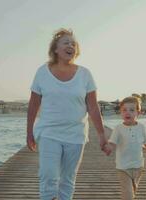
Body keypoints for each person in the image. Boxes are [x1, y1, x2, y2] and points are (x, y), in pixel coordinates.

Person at [26, 28, 109, 200]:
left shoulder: (85, 74)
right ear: (55, 49)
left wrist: (101, 135)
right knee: (48, 176)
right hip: (49, 132)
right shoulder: (42, 72)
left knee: (68, 179)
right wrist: (29, 133)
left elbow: (93, 107)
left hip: (75, 134)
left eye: (73, 44)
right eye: (66, 42)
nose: (71, 45)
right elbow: (34, 104)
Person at [106, 96, 146, 200]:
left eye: (132, 110)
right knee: (128, 194)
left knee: (133, 190)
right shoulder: (118, 129)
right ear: (121, 113)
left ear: (138, 113)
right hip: (123, 167)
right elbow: (112, 142)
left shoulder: (141, 128)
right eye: (124, 110)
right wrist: (109, 148)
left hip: (138, 167)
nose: (127, 112)